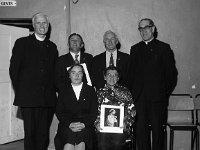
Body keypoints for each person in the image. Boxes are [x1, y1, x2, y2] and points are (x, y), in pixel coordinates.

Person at [9, 12, 58, 150]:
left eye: (45, 23)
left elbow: (53, 73)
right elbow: (14, 70)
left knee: (43, 134)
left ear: (48, 25)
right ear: (33, 25)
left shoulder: (52, 47)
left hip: (47, 99)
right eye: (39, 23)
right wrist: (23, 91)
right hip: (28, 98)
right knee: (30, 133)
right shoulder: (22, 43)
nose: (42, 26)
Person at [128, 18, 178, 150]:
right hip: (139, 100)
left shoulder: (164, 48)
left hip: (158, 100)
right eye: (141, 28)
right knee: (141, 134)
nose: (143, 31)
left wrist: (163, 94)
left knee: (158, 135)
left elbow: (171, 75)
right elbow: (130, 75)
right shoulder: (135, 49)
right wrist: (134, 96)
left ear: (153, 29)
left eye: (146, 27)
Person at [55, 64, 98, 150]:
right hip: (67, 125)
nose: (77, 75)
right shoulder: (63, 91)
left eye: (80, 72)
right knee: (69, 145)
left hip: (85, 125)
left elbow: (94, 113)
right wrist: (70, 124)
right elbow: (59, 112)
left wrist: (84, 124)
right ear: (69, 75)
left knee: (81, 144)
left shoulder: (90, 90)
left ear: (83, 75)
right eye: (73, 73)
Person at [95, 66, 136, 150]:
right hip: (103, 128)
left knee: (117, 143)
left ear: (118, 78)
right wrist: (97, 123)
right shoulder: (99, 92)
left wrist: (126, 123)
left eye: (115, 75)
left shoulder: (125, 92)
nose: (111, 77)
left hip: (121, 128)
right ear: (104, 77)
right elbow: (93, 111)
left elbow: (132, 111)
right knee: (102, 144)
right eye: (109, 75)